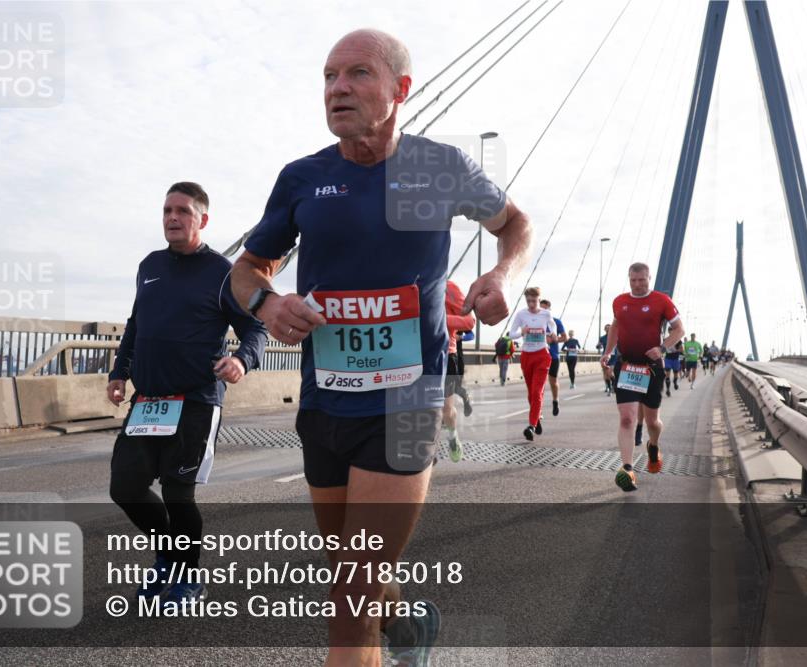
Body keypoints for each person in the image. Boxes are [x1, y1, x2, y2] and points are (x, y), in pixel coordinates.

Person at [230, 28, 532, 667]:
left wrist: (503, 276)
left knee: (350, 599)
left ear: (399, 90)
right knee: (350, 567)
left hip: (406, 405)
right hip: (324, 403)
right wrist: (268, 302)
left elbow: (515, 224)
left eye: (358, 74)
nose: (338, 88)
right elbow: (246, 269)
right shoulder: (302, 178)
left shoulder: (439, 167)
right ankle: (410, 619)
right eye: (329, 77)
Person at [107, 182, 267, 604]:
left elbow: (254, 326)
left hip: (196, 398)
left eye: (182, 211)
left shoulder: (222, 272)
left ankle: (188, 576)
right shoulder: (149, 265)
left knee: (178, 493)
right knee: (125, 487)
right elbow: (137, 325)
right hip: (148, 400)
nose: (172, 218)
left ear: (202, 220)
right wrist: (119, 372)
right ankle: (169, 556)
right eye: (166, 211)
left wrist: (241, 360)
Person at [600, 263, 683, 492]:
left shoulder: (661, 301)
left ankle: (653, 446)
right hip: (626, 366)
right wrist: (608, 352)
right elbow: (616, 326)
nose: (637, 285)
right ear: (629, 279)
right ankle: (627, 469)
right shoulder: (619, 301)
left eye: (642, 281)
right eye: (633, 281)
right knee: (627, 418)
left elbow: (679, 330)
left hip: (652, 367)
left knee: (652, 422)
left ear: (649, 278)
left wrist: (663, 348)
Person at [508, 287, 554, 441]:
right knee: (531, 393)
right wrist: (522, 332)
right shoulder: (521, 314)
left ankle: (531, 426)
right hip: (527, 356)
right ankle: (537, 418)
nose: (531, 304)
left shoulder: (546, 314)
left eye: (534, 301)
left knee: (536, 392)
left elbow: (552, 325)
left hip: (542, 355)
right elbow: (511, 334)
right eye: (528, 301)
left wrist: (551, 333)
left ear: (539, 300)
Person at [443, 280, 475, 463]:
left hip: (447, 355)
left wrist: (439, 320)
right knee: (422, 407)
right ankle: (426, 451)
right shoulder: (406, 282)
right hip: (417, 355)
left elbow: (470, 321)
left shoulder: (451, 288)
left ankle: (453, 437)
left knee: (446, 410)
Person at [538, 299, 566, 416]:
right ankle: (538, 411)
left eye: (545, 309)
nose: (542, 311)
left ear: (549, 309)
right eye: (541, 308)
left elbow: (564, 338)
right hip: (539, 355)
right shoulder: (535, 321)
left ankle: (555, 401)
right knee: (539, 384)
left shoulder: (556, 322)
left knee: (553, 381)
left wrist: (555, 339)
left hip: (553, 356)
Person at [596, 324, 616, 395]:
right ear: (605, 329)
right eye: (606, 328)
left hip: (614, 357)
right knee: (606, 374)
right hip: (605, 357)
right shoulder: (602, 338)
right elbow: (598, 345)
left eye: (609, 328)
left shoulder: (615, 336)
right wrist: (599, 346)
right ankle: (609, 387)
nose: (608, 329)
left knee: (610, 373)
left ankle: (613, 384)